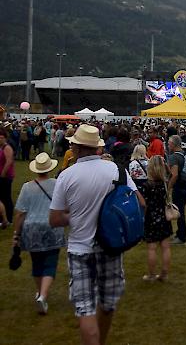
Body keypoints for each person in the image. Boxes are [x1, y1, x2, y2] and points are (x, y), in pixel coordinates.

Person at [49, 124, 142, 345]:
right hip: (110, 245)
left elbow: (54, 219)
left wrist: (76, 217)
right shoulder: (117, 171)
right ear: (98, 147)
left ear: (76, 147)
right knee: (108, 304)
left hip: (81, 249)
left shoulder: (66, 175)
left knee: (85, 309)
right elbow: (140, 203)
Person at [12, 152, 66, 314]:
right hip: (52, 226)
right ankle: (43, 295)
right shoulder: (57, 184)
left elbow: (21, 213)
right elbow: (64, 206)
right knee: (50, 262)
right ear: (49, 168)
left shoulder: (27, 187)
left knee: (37, 263)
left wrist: (16, 233)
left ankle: (40, 294)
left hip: (31, 228)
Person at [140, 155, 173, 282]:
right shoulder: (164, 183)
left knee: (152, 248)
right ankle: (164, 274)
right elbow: (170, 174)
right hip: (164, 217)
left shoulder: (146, 185)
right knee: (166, 246)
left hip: (151, 218)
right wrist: (164, 164)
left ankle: (152, 274)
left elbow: (145, 204)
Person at [167, 135, 186, 245]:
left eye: (169, 143)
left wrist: (168, 188)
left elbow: (174, 175)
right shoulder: (185, 154)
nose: (168, 145)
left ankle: (182, 237)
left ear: (173, 144)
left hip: (179, 187)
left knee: (179, 212)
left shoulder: (173, 157)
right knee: (180, 210)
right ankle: (179, 233)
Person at [0, 127, 16, 224]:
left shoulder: (7, 148)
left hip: (6, 177)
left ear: (5, 138)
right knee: (2, 197)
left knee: (6, 197)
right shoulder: (1, 148)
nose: (0, 139)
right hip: (2, 176)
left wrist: (3, 174)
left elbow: (9, 161)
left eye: (1, 137)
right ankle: (3, 217)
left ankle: (8, 218)